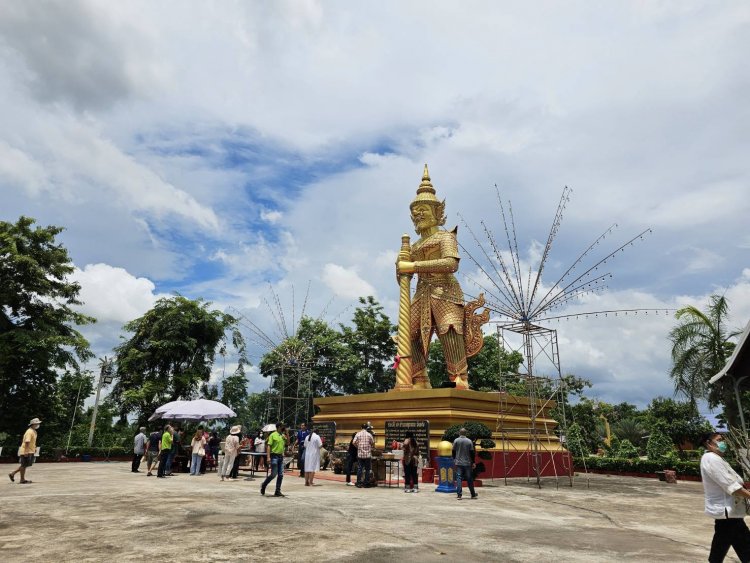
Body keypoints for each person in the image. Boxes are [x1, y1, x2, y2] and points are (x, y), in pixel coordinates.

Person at [396, 165, 487, 390]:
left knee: (450, 330)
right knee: (409, 333)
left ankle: (459, 377)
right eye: (415, 213)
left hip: (445, 291)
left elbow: (450, 263)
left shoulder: (446, 237)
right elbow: (404, 280)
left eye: (423, 210)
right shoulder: (414, 246)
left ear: (437, 213)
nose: (418, 215)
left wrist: (413, 265)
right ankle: (419, 378)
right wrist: (400, 268)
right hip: (421, 292)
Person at [700, 432, 750, 562]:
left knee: (723, 544)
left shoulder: (717, 458)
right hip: (726, 510)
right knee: (742, 544)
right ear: (709, 443)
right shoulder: (711, 458)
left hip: (729, 512)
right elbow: (731, 486)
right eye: (720, 440)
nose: (723, 443)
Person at [8, 417, 41, 484]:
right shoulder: (29, 432)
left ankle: (12, 474)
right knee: (24, 465)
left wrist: (34, 448)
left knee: (25, 465)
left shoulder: (34, 431)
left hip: (30, 450)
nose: (38, 425)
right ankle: (22, 480)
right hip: (26, 451)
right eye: (37, 423)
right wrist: (26, 451)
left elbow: (32, 442)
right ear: (33, 424)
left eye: (38, 423)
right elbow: (27, 442)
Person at [261, 422, 288, 497]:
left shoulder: (282, 436)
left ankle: (277, 490)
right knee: (273, 474)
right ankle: (264, 484)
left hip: (281, 457)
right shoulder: (272, 435)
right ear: (279, 427)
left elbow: (288, 443)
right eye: (282, 427)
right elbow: (269, 446)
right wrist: (268, 457)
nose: (283, 428)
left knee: (281, 475)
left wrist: (287, 434)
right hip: (274, 456)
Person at [452, 428, 478, 500]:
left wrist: (454, 459)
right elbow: (472, 453)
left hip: (459, 462)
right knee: (469, 479)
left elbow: (453, 451)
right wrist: (473, 462)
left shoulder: (456, 440)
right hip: (467, 463)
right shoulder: (469, 441)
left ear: (459, 433)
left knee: (459, 478)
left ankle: (459, 495)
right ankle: (473, 494)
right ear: (466, 433)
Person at [354, 423, 374, 488]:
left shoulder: (358, 434)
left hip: (360, 454)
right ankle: (366, 483)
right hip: (367, 455)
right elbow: (372, 443)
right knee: (367, 469)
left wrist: (358, 447)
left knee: (360, 468)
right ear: (367, 428)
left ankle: (359, 482)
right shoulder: (369, 434)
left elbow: (353, 442)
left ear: (361, 427)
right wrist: (369, 446)